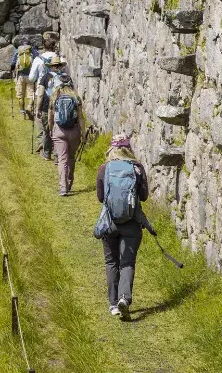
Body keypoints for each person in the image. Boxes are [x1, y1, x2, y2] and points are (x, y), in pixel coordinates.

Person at [96, 134, 149, 321]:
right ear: (128, 149)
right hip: (132, 224)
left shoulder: (105, 169)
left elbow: (101, 197)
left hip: (109, 223)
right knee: (127, 263)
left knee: (111, 263)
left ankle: (113, 304)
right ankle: (124, 299)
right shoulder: (137, 168)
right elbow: (143, 196)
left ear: (112, 149)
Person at [48, 73, 84, 196]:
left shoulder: (54, 97)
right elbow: (80, 118)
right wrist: (83, 133)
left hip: (59, 131)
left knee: (62, 159)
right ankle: (69, 182)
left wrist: (51, 129)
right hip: (74, 131)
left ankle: (63, 188)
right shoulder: (76, 98)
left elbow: (50, 117)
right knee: (71, 157)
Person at [32, 53, 65, 161]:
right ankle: (57, 156)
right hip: (61, 108)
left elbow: (40, 94)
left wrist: (38, 109)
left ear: (50, 66)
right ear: (60, 66)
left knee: (47, 130)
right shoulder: (65, 77)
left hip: (47, 107)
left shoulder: (46, 77)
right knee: (59, 131)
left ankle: (47, 153)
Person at [10, 38, 39, 117]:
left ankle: (22, 111)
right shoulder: (32, 49)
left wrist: (12, 72)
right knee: (31, 93)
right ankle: (29, 107)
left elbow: (12, 62)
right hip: (30, 75)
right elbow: (38, 58)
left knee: (20, 95)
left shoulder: (18, 50)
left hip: (20, 75)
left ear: (21, 44)